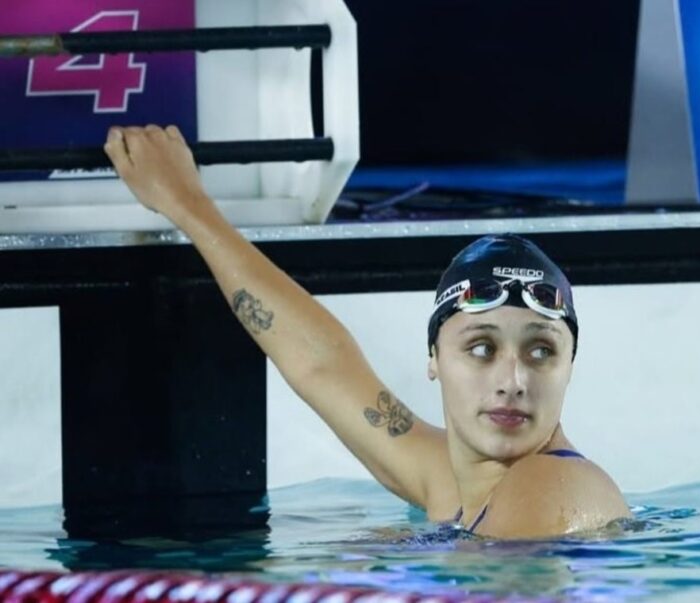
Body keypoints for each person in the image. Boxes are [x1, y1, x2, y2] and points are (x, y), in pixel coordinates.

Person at [103, 125, 632, 538]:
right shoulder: (453, 480)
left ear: (570, 366)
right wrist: (187, 204)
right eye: (481, 347)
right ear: (434, 357)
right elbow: (322, 365)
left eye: (540, 351)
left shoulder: (549, 485)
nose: (512, 381)